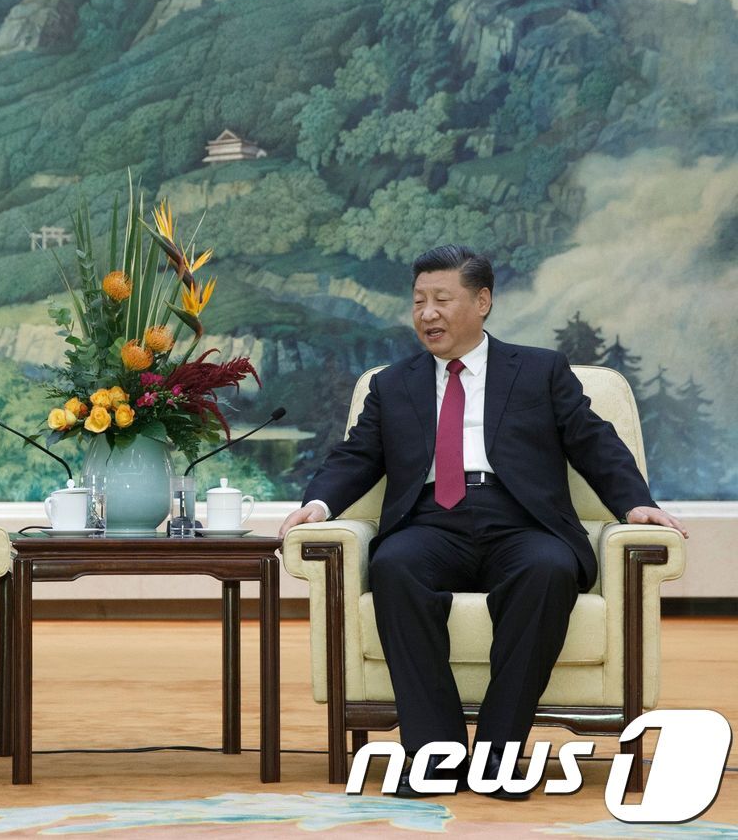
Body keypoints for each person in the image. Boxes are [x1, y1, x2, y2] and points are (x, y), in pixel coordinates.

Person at [279, 244, 685, 799]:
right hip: (429, 522)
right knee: (394, 566)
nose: (427, 313)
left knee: (547, 570)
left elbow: (594, 442)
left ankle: (499, 755)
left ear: (483, 300)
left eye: (442, 299)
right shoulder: (392, 384)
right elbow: (357, 457)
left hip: (521, 521)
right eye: (419, 301)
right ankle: (435, 756)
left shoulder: (540, 371)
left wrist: (635, 502)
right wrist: (318, 504)